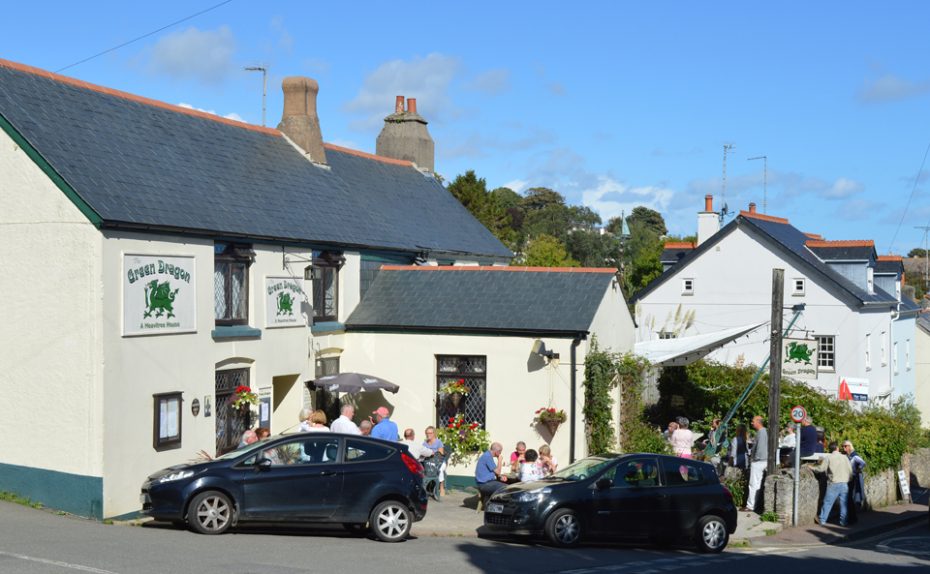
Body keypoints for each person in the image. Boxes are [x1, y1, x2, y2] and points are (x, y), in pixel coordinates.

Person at [814, 441, 853, 526]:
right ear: (837, 448)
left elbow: (821, 469)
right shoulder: (845, 457)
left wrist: (812, 468)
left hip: (834, 483)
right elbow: (850, 470)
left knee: (828, 502)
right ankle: (843, 522)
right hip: (844, 483)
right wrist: (849, 479)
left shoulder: (829, 458)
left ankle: (822, 520)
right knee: (844, 505)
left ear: (830, 449)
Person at [745, 415, 768, 512]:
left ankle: (750, 506)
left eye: (753, 421)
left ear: (758, 422)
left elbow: (760, 447)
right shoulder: (762, 431)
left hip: (759, 461)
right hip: (762, 460)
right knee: (757, 484)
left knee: (753, 484)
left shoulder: (761, 432)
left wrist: (755, 459)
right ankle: (754, 505)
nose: (752, 423)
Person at [843, 440, 867, 525]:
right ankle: (852, 517)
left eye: (845, 446)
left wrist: (857, 471)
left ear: (849, 446)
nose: (844, 448)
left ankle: (852, 518)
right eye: (843, 446)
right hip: (848, 478)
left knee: (850, 497)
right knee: (849, 498)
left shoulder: (854, 456)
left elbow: (863, 463)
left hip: (853, 479)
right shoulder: (847, 456)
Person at [423, 426, 447, 495]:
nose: (428, 435)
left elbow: (441, 455)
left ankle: (441, 487)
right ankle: (425, 488)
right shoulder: (425, 443)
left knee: (439, 470)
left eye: (430, 433)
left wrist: (432, 454)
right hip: (428, 461)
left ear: (434, 434)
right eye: (427, 433)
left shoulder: (438, 442)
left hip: (439, 462)